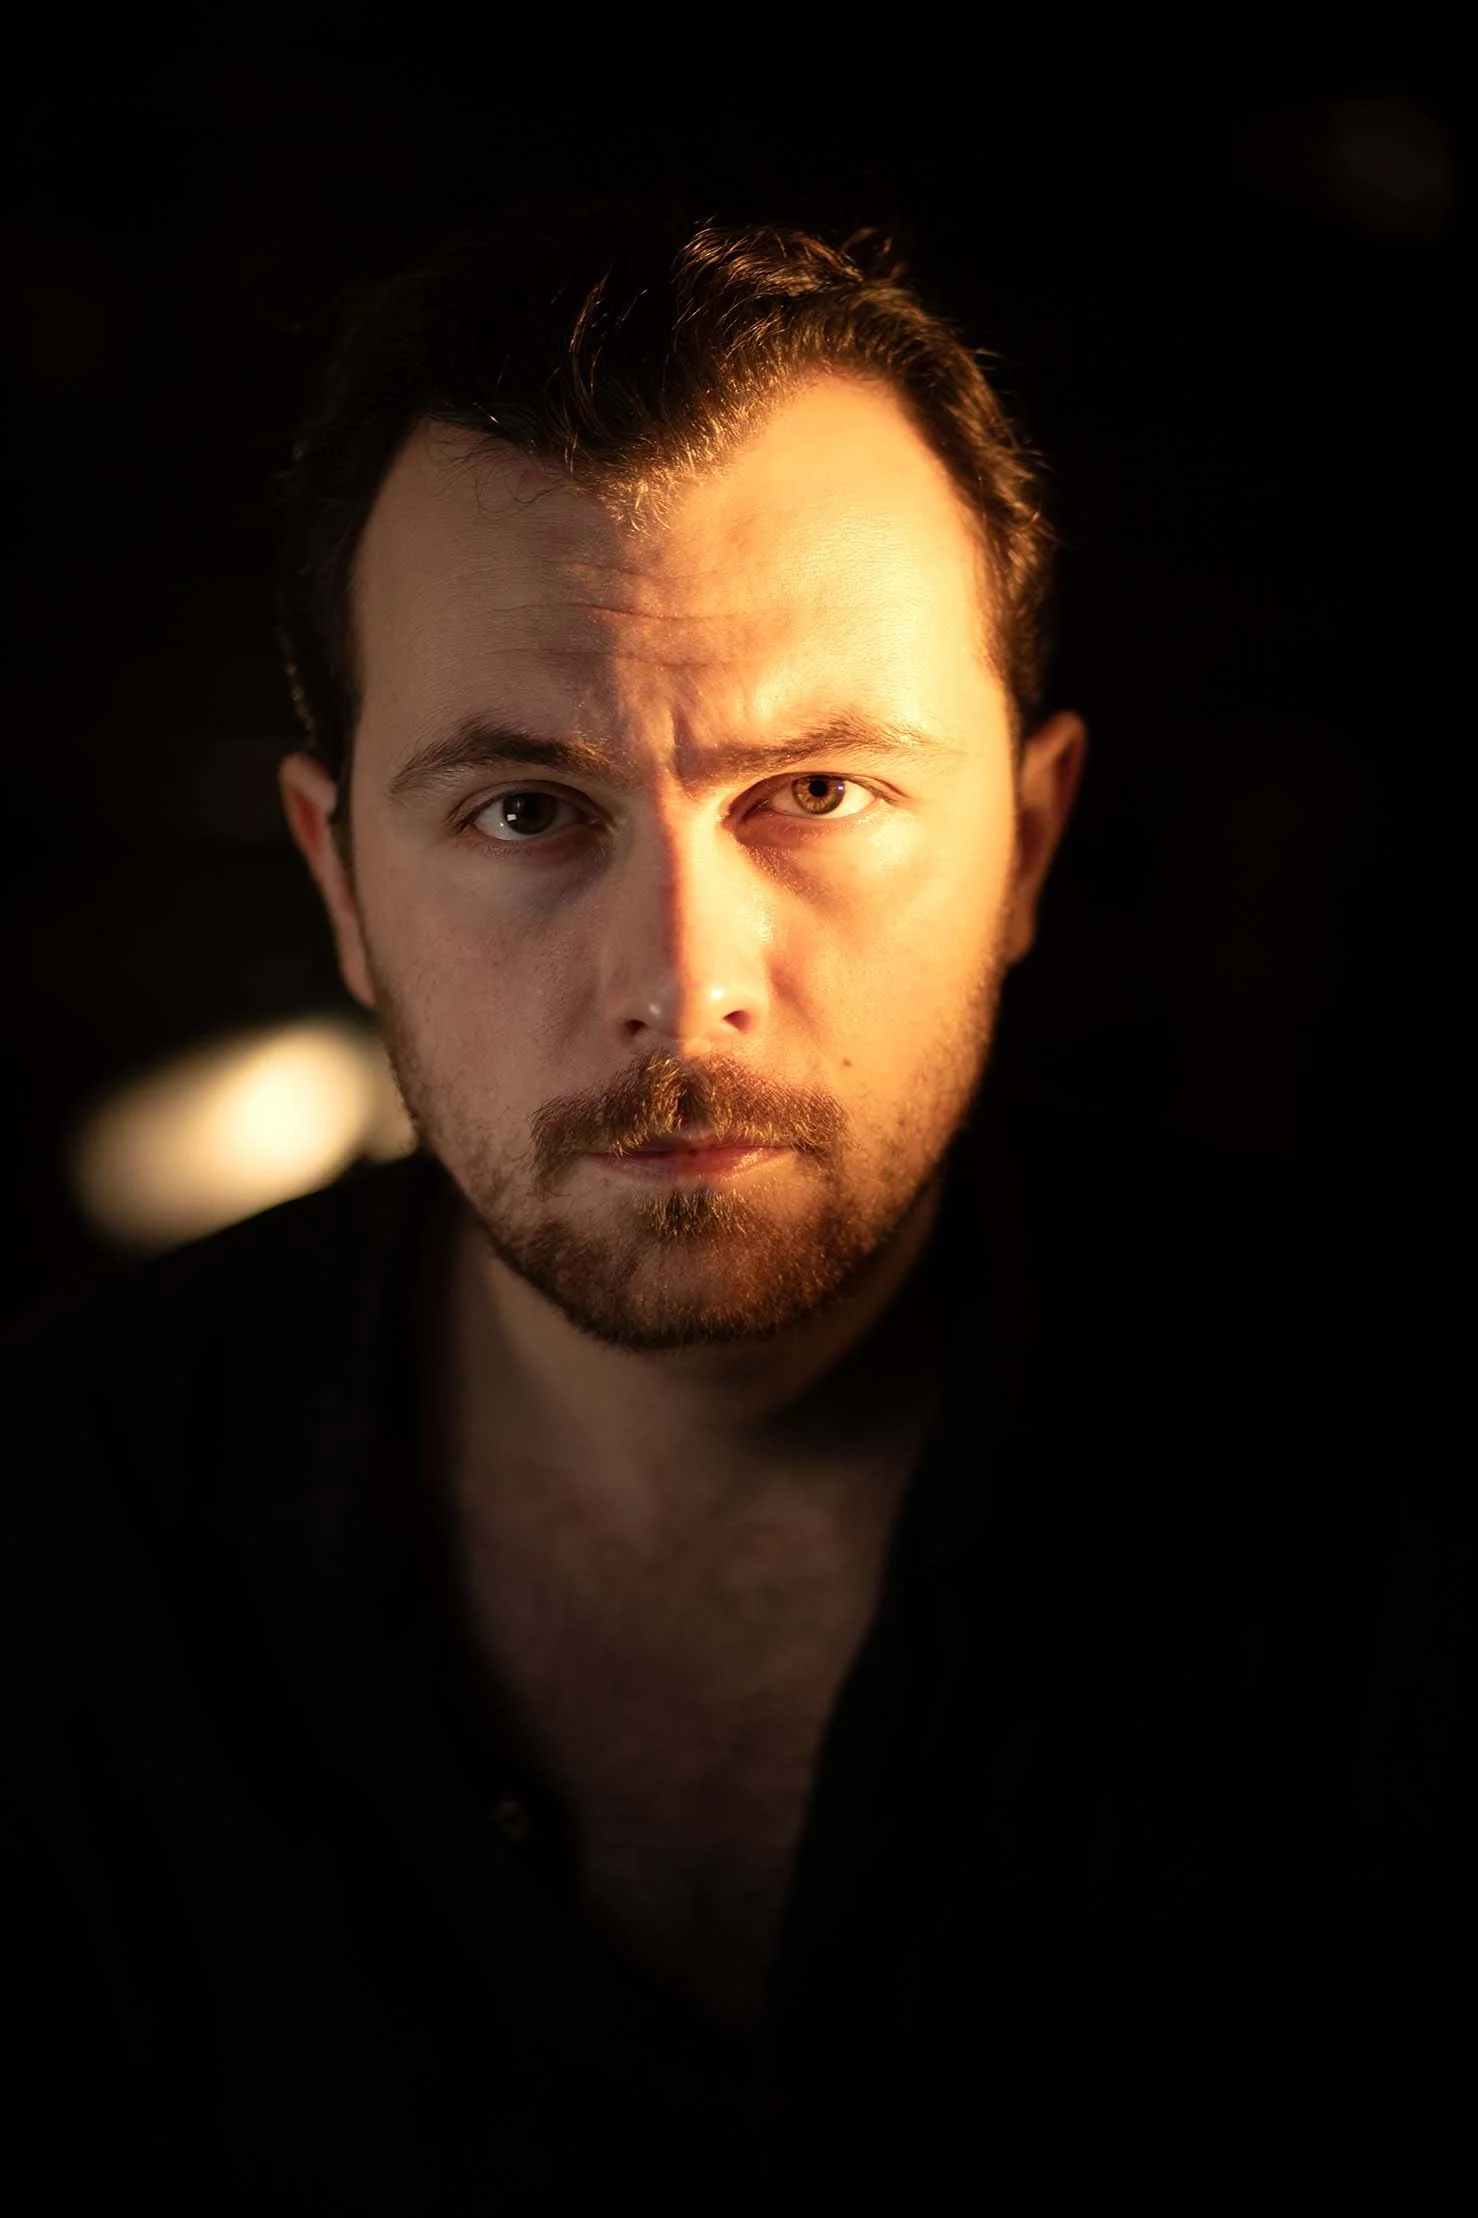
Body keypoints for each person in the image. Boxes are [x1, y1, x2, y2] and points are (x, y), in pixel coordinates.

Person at [2, 209, 1461, 2211]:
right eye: (528, 807)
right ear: (340, 882)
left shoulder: (1388, 1508)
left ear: (1024, 841)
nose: (684, 981)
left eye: (819, 790)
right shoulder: (42, 1560)